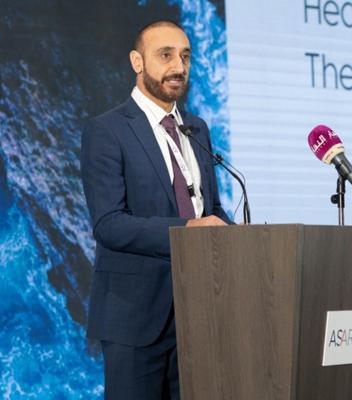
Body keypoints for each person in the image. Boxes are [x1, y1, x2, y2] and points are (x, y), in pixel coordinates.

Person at [81, 20, 233, 400]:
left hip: (199, 314)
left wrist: (237, 235)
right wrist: (188, 231)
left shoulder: (196, 129)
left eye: (185, 57)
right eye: (165, 55)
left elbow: (210, 208)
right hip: (135, 319)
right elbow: (109, 225)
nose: (178, 67)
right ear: (138, 61)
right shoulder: (107, 130)